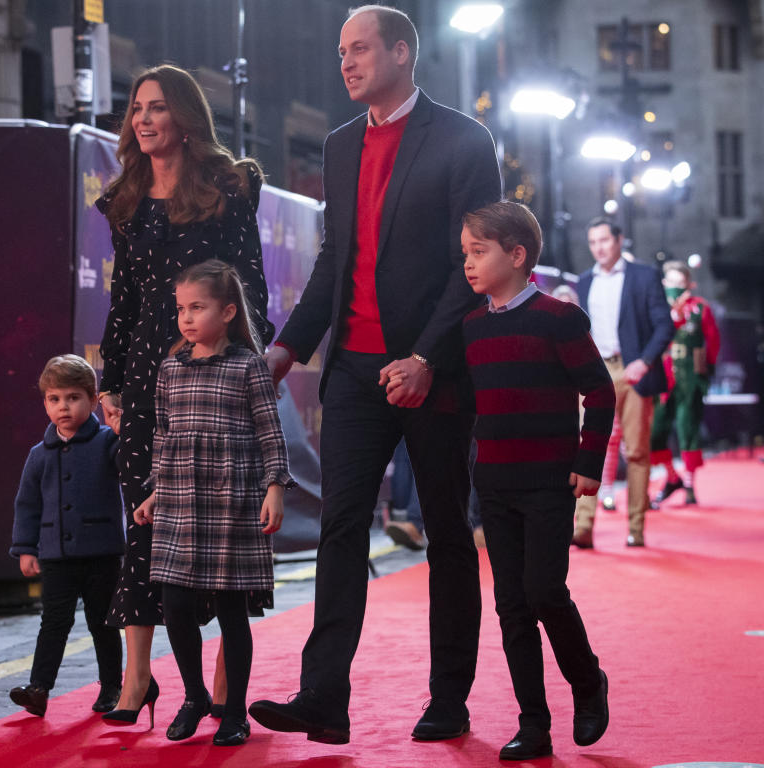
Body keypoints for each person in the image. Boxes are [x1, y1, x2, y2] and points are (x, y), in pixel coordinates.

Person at [248, 5, 502, 745]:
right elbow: (336, 258)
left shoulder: (463, 138)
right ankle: (324, 695)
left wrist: (426, 356)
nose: (346, 63)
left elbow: (474, 263)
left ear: (401, 52)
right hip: (354, 373)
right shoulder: (337, 145)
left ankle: (448, 697)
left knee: (449, 531)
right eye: (340, 52)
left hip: (434, 370)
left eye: (359, 49)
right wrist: (286, 350)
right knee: (340, 527)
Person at [95, 64, 274, 722]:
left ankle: (226, 679)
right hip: (146, 383)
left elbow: (250, 286)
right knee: (146, 526)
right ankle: (138, 680)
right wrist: (110, 379)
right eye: (136, 107)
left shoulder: (229, 189)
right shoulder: (126, 202)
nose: (143, 119)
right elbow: (124, 301)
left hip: (217, 381)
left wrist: (243, 362)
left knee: (224, 529)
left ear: (186, 119)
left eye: (158, 108)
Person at [461, 201, 613, 759]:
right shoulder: (472, 328)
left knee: (545, 590)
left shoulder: (559, 318)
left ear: (517, 255)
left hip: (550, 481)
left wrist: (587, 463)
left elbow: (599, 391)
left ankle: (587, 680)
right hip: (495, 484)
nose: (469, 265)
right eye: (465, 255)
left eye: (479, 252)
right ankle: (533, 721)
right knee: (510, 605)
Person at [133, 260, 293, 747]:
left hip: (231, 500)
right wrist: (156, 490)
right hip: (180, 498)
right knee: (176, 604)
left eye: (196, 307)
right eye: (181, 308)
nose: (185, 318)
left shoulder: (248, 366)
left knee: (230, 610)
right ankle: (194, 695)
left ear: (226, 312)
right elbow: (164, 436)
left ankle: (235, 712)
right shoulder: (169, 369)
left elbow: (271, 432)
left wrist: (275, 488)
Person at [8, 355, 126, 717]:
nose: (63, 407)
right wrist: (26, 549)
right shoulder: (38, 455)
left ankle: (112, 687)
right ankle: (39, 688)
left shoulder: (109, 443)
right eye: (54, 399)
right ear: (45, 402)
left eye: (73, 398)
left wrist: (125, 434)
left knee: (103, 622)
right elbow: (27, 505)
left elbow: (132, 469)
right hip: (55, 554)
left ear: (93, 400)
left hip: (101, 553)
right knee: (54, 622)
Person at [572, 218, 674, 548]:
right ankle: (583, 527)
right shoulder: (584, 281)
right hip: (595, 372)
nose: (599, 248)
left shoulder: (643, 276)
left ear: (620, 240)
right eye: (593, 242)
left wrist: (643, 362)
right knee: (588, 449)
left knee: (638, 451)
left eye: (604, 240)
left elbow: (664, 326)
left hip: (633, 372)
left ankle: (636, 527)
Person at [650, 260, 720, 506]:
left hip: (690, 374)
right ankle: (672, 477)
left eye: (680, 283)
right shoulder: (656, 308)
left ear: (690, 284)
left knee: (688, 429)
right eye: (671, 282)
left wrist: (706, 373)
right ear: (663, 283)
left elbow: (712, 341)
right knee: (655, 431)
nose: (675, 287)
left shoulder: (700, 308)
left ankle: (689, 485)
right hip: (662, 374)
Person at [555, 283, 621, 511]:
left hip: (587, 390)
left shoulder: (583, 338)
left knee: (602, 440)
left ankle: (603, 496)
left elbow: (600, 390)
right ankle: (583, 519)